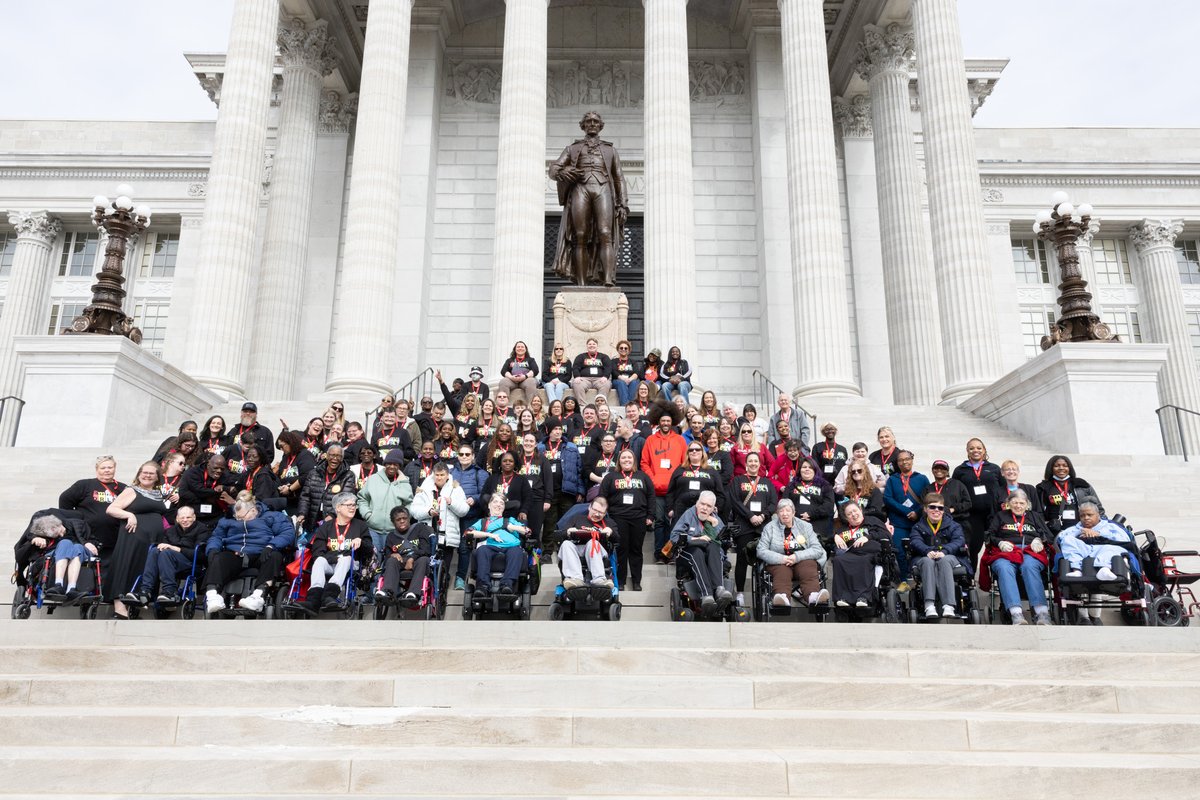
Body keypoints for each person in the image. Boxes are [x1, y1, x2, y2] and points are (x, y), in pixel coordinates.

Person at [202, 498, 295, 614]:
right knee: (218, 558)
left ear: (253, 511)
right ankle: (213, 596)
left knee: (274, 556)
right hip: (236, 553)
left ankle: (258, 596)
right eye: (237, 518)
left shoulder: (272, 516)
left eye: (241, 517)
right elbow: (216, 537)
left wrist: (271, 546)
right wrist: (212, 549)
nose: (239, 520)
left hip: (262, 552)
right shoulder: (228, 520)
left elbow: (287, 533)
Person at [105, 461, 171, 619]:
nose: (147, 475)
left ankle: (133, 608)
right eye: (144, 472)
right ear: (139, 474)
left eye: (151, 473)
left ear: (157, 477)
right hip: (133, 538)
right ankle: (120, 610)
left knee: (144, 571)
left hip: (152, 540)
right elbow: (111, 509)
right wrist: (130, 515)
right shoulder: (131, 491)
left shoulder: (158, 494)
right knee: (127, 567)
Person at [981, 489, 1051, 626]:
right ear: (1008, 503)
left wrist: (1039, 540)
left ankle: (1041, 612)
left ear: (1027, 505)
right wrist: (999, 542)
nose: (1018, 506)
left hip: (1030, 550)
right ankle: (1016, 613)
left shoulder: (1035, 516)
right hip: (1006, 551)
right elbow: (989, 535)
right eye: (1015, 502)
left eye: (1021, 503)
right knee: (1003, 567)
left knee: (1029, 566)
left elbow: (1049, 536)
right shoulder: (1000, 516)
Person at [300, 492, 371, 614]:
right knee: (319, 560)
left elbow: (369, 550)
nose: (352, 507)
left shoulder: (360, 526)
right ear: (338, 508)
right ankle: (313, 600)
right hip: (329, 562)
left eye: (354, 505)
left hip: (350, 564)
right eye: (348, 505)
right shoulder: (326, 527)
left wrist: (361, 542)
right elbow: (317, 549)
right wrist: (333, 557)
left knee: (345, 559)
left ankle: (329, 596)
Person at [122, 505, 208, 606]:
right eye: (182, 517)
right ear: (177, 519)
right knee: (155, 550)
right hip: (168, 562)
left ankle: (169, 591)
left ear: (194, 517)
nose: (185, 520)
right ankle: (145, 591)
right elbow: (163, 547)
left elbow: (200, 555)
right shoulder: (171, 531)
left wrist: (177, 549)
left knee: (166, 552)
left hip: (191, 563)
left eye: (188, 517)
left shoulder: (202, 529)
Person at [597, 449, 652, 591]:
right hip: (617, 518)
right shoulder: (611, 477)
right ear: (619, 461)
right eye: (623, 458)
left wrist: (650, 516)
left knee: (636, 550)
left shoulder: (643, 476)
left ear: (634, 459)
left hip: (638, 518)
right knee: (620, 550)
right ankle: (620, 581)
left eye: (629, 457)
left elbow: (651, 496)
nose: (626, 460)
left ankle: (636, 581)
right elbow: (602, 497)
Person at [668, 490, 732, 614]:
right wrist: (695, 539)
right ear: (697, 503)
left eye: (708, 506)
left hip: (709, 553)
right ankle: (706, 594)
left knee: (714, 546)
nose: (704, 508)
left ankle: (719, 588)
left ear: (713, 508)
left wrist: (715, 525)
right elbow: (674, 536)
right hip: (688, 550)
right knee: (697, 552)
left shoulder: (715, 518)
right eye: (702, 504)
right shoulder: (689, 514)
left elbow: (723, 542)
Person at [756, 499, 828, 608]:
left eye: (788, 510)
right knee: (782, 569)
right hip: (779, 562)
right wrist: (782, 558)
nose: (784, 513)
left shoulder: (805, 526)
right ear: (777, 513)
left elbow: (817, 549)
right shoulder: (769, 527)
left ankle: (813, 596)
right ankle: (782, 598)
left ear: (793, 512)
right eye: (781, 511)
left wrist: (796, 557)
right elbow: (761, 550)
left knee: (808, 565)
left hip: (802, 560)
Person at [640, 399, 688, 561]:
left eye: (668, 420)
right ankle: (660, 554)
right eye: (663, 421)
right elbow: (644, 463)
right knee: (660, 522)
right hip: (657, 490)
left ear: (673, 421)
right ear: (658, 422)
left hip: (675, 491)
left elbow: (684, 464)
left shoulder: (680, 440)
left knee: (674, 523)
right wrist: (652, 479)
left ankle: (671, 553)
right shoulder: (650, 440)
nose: (666, 423)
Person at [728, 452, 778, 605]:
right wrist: (750, 515)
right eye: (750, 461)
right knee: (742, 559)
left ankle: (767, 591)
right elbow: (735, 501)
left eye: (756, 461)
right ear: (746, 463)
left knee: (766, 559)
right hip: (744, 526)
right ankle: (741, 593)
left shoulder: (767, 482)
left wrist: (763, 516)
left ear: (760, 463)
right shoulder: (738, 480)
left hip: (764, 527)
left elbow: (773, 502)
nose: (753, 463)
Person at [58, 455, 127, 565]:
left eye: (110, 467)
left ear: (115, 468)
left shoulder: (123, 488)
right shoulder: (84, 485)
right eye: (103, 468)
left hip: (113, 539)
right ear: (97, 469)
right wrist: (73, 522)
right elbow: (64, 500)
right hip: (88, 539)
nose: (107, 470)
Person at [909, 493, 967, 620]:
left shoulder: (953, 525)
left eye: (940, 508)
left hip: (949, 556)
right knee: (927, 561)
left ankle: (949, 605)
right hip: (925, 557)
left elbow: (959, 541)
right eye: (932, 507)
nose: (936, 510)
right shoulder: (918, 526)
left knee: (944, 560)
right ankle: (929, 605)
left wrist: (945, 551)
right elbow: (915, 540)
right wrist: (927, 551)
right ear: (925, 509)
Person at [410, 462, 470, 575]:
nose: (439, 478)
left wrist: (451, 503)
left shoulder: (456, 488)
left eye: (442, 475)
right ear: (433, 475)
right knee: (426, 568)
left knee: (444, 571)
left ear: (447, 475)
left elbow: (464, 510)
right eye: (437, 475)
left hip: (447, 535)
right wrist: (427, 512)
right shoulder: (423, 488)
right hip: (427, 533)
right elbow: (413, 510)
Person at [952, 437, 1005, 566]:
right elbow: (955, 491)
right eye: (972, 448)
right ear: (967, 451)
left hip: (994, 514)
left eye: (979, 448)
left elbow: (1003, 489)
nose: (975, 450)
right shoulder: (960, 470)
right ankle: (971, 577)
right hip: (972, 516)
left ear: (984, 450)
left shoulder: (994, 468)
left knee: (997, 546)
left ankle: (996, 579)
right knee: (973, 547)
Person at [21, 513, 94, 604]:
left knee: (78, 547)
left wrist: (90, 543)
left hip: (82, 554)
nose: (50, 536)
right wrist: (35, 538)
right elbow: (30, 535)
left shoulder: (79, 525)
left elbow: (95, 540)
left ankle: (71, 588)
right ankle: (58, 584)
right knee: (65, 543)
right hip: (55, 556)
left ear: (54, 528)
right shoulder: (47, 535)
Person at [465, 493, 530, 596]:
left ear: (504, 508)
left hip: (511, 547)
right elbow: (467, 533)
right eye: (495, 502)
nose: (498, 505)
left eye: (502, 503)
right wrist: (489, 534)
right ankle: (483, 586)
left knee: (517, 551)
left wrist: (512, 527)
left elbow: (527, 531)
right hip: (490, 546)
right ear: (489, 505)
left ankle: (507, 585)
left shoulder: (510, 520)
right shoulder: (482, 522)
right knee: (482, 550)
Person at [1057, 502, 1136, 583]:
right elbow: (1060, 538)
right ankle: (1077, 570)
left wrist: (1099, 534)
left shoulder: (1111, 526)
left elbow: (1124, 540)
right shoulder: (1075, 528)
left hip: (1104, 551)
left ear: (1098, 515)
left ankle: (1104, 569)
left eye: (1089, 515)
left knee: (1115, 547)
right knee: (1067, 540)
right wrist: (1079, 532)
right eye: (1082, 516)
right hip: (1084, 552)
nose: (1086, 518)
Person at [830, 502, 890, 608]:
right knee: (839, 560)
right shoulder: (843, 529)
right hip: (851, 553)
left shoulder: (873, 521)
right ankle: (842, 597)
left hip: (870, 552)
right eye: (849, 514)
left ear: (860, 510)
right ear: (846, 518)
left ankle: (863, 597)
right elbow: (828, 542)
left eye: (855, 511)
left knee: (864, 560)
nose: (853, 514)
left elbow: (886, 534)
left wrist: (868, 537)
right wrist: (835, 537)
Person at [357, 450, 414, 556]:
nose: (392, 466)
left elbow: (409, 504)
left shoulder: (405, 483)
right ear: (385, 464)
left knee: (391, 562)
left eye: (395, 464)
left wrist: (403, 519)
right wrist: (368, 515)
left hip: (394, 531)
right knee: (374, 562)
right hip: (373, 529)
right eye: (389, 463)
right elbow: (362, 499)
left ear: (399, 466)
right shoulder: (373, 479)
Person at [450, 442, 490, 590]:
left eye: (468, 454)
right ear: (457, 456)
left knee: (464, 547)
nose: (464, 457)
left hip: (471, 515)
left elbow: (485, 494)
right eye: (461, 454)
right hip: (453, 515)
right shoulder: (451, 472)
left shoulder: (481, 473)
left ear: (473, 456)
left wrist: (475, 498)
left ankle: (460, 577)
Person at [882, 450, 929, 578]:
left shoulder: (922, 478)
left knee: (920, 550)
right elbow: (888, 498)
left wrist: (917, 512)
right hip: (898, 523)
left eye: (907, 459)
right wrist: (907, 511)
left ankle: (920, 578)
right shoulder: (893, 479)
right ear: (897, 463)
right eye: (901, 460)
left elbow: (928, 499)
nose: (904, 462)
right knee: (900, 552)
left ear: (912, 460)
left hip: (918, 523)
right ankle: (904, 578)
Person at [376, 507, 434, 606]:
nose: (402, 521)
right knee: (391, 561)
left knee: (424, 560)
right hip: (401, 561)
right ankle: (388, 592)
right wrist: (392, 554)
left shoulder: (420, 528)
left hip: (418, 559)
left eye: (404, 518)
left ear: (409, 518)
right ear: (393, 522)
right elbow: (386, 557)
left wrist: (412, 558)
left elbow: (426, 550)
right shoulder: (391, 536)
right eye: (398, 520)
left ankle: (412, 593)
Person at [557, 496, 617, 590]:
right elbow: (558, 536)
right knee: (566, 544)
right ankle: (575, 579)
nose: (597, 514)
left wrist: (611, 532)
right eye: (595, 510)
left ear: (605, 513)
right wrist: (568, 532)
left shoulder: (608, 522)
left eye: (600, 512)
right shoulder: (577, 518)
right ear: (589, 507)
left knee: (592, 542)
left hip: (598, 551)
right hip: (576, 549)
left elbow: (618, 540)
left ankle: (599, 580)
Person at [296, 443, 355, 536]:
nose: (335, 459)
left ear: (342, 458)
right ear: (327, 456)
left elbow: (345, 499)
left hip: (334, 522)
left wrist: (332, 515)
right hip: (312, 520)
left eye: (338, 456)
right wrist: (302, 514)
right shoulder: (314, 473)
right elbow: (305, 497)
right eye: (332, 455)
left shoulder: (348, 475)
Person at [1036, 455, 1104, 535]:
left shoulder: (1082, 485)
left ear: (1069, 468)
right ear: (1051, 468)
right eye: (1057, 466)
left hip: (1081, 529)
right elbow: (1038, 512)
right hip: (1055, 531)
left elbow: (1098, 509)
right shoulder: (1043, 488)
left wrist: (1099, 528)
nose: (1061, 468)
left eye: (1065, 466)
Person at [665, 440, 725, 526]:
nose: (694, 451)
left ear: (702, 453)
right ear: (688, 453)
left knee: (702, 538)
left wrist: (717, 507)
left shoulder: (711, 471)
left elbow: (720, 493)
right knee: (681, 537)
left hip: (705, 512)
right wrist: (670, 509)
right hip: (681, 511)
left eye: (697, 449)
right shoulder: (680, 469)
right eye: (691, 450)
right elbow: (671, 491)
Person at [782, 457, 837, 545]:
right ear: (800, 470)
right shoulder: (792, 485)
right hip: (795, 523)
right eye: (804, 467)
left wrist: (811, 514)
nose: (807, 469)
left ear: (815, 469)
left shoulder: (824, 485)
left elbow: (829, 505)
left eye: (810, 467)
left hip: (817, 524)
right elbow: (784, 502)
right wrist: (794, 516)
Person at [179, 454, 236, 527]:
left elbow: (232, 490)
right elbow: (187, 493)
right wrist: (213, 495)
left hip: (215, 517)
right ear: (208, 465)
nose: (219, 471)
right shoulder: (193, 472)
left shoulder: (225, 475)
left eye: (222, 469)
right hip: (194, 516)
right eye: (216, 468)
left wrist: (224, 488)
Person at [481, 451, 532, 523]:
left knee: (517, 504)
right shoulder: (492, 478)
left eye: (511, 461)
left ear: (515, 464)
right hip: (494, 516)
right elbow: (483, 496)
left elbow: (528, 498)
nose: (507, 463)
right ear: (500, 463)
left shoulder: (522, 479)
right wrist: (489, 511)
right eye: (504, 461)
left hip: (514, 516)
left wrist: (523, 511)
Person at [274, 430, 316, 514]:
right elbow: (282, 475)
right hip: (288, 499)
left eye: (282, 446)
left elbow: (307, 475)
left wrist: (290, 489)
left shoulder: (304, 455)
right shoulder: (286, 457)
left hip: (302, 499)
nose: (282, 449)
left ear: (290, 443)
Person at [927, 459, 972, 531]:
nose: (939, 470)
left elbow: (968, 503)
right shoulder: (928, 488)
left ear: (947, 471)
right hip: (935, 525)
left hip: (957, 522)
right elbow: (923, 505)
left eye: (943, 468)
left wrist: (953, 509)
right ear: (932, 471)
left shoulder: (958, 485)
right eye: (936, 468)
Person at [496, 340, 538, 406]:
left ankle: (531, 407)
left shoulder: (530, 360)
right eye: (518, 347)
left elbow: (535, 370)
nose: (520, 348)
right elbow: (503, 371)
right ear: (515, 349)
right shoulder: (509, 360)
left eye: (522, 347)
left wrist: (525, 376)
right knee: (503, 381)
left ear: (525, 349)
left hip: (525, 380)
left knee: (531, 381)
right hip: (513, 381)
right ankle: (504, 407)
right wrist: (511, 377)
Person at [570, 338, 612, 404]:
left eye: (594, 344)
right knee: (576, 384)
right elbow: (575, 367)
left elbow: (608, 367)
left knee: (606, 384)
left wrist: (605, 376)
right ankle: (582, 405)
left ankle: (601, 404)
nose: (591, 345)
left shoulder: (604, 356)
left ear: (597, 346)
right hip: (584, 379)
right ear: (587, 346)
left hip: (599, 379)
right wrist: (577, 376)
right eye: (589, 344)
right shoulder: (581, 356)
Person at [609, 339, 642, 405]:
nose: (623, 349)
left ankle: (632, 404)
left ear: (629, 350)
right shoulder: (614, 361)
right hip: (618, 380)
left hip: (631, 379)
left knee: (634, 382)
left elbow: (636, 373)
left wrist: (629, 379)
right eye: (621, 348)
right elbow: (614, 372)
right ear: (618, 350)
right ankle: (625, 405)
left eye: (625, 348)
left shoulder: (633, 362)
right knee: (621, 383)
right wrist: (624, 379)